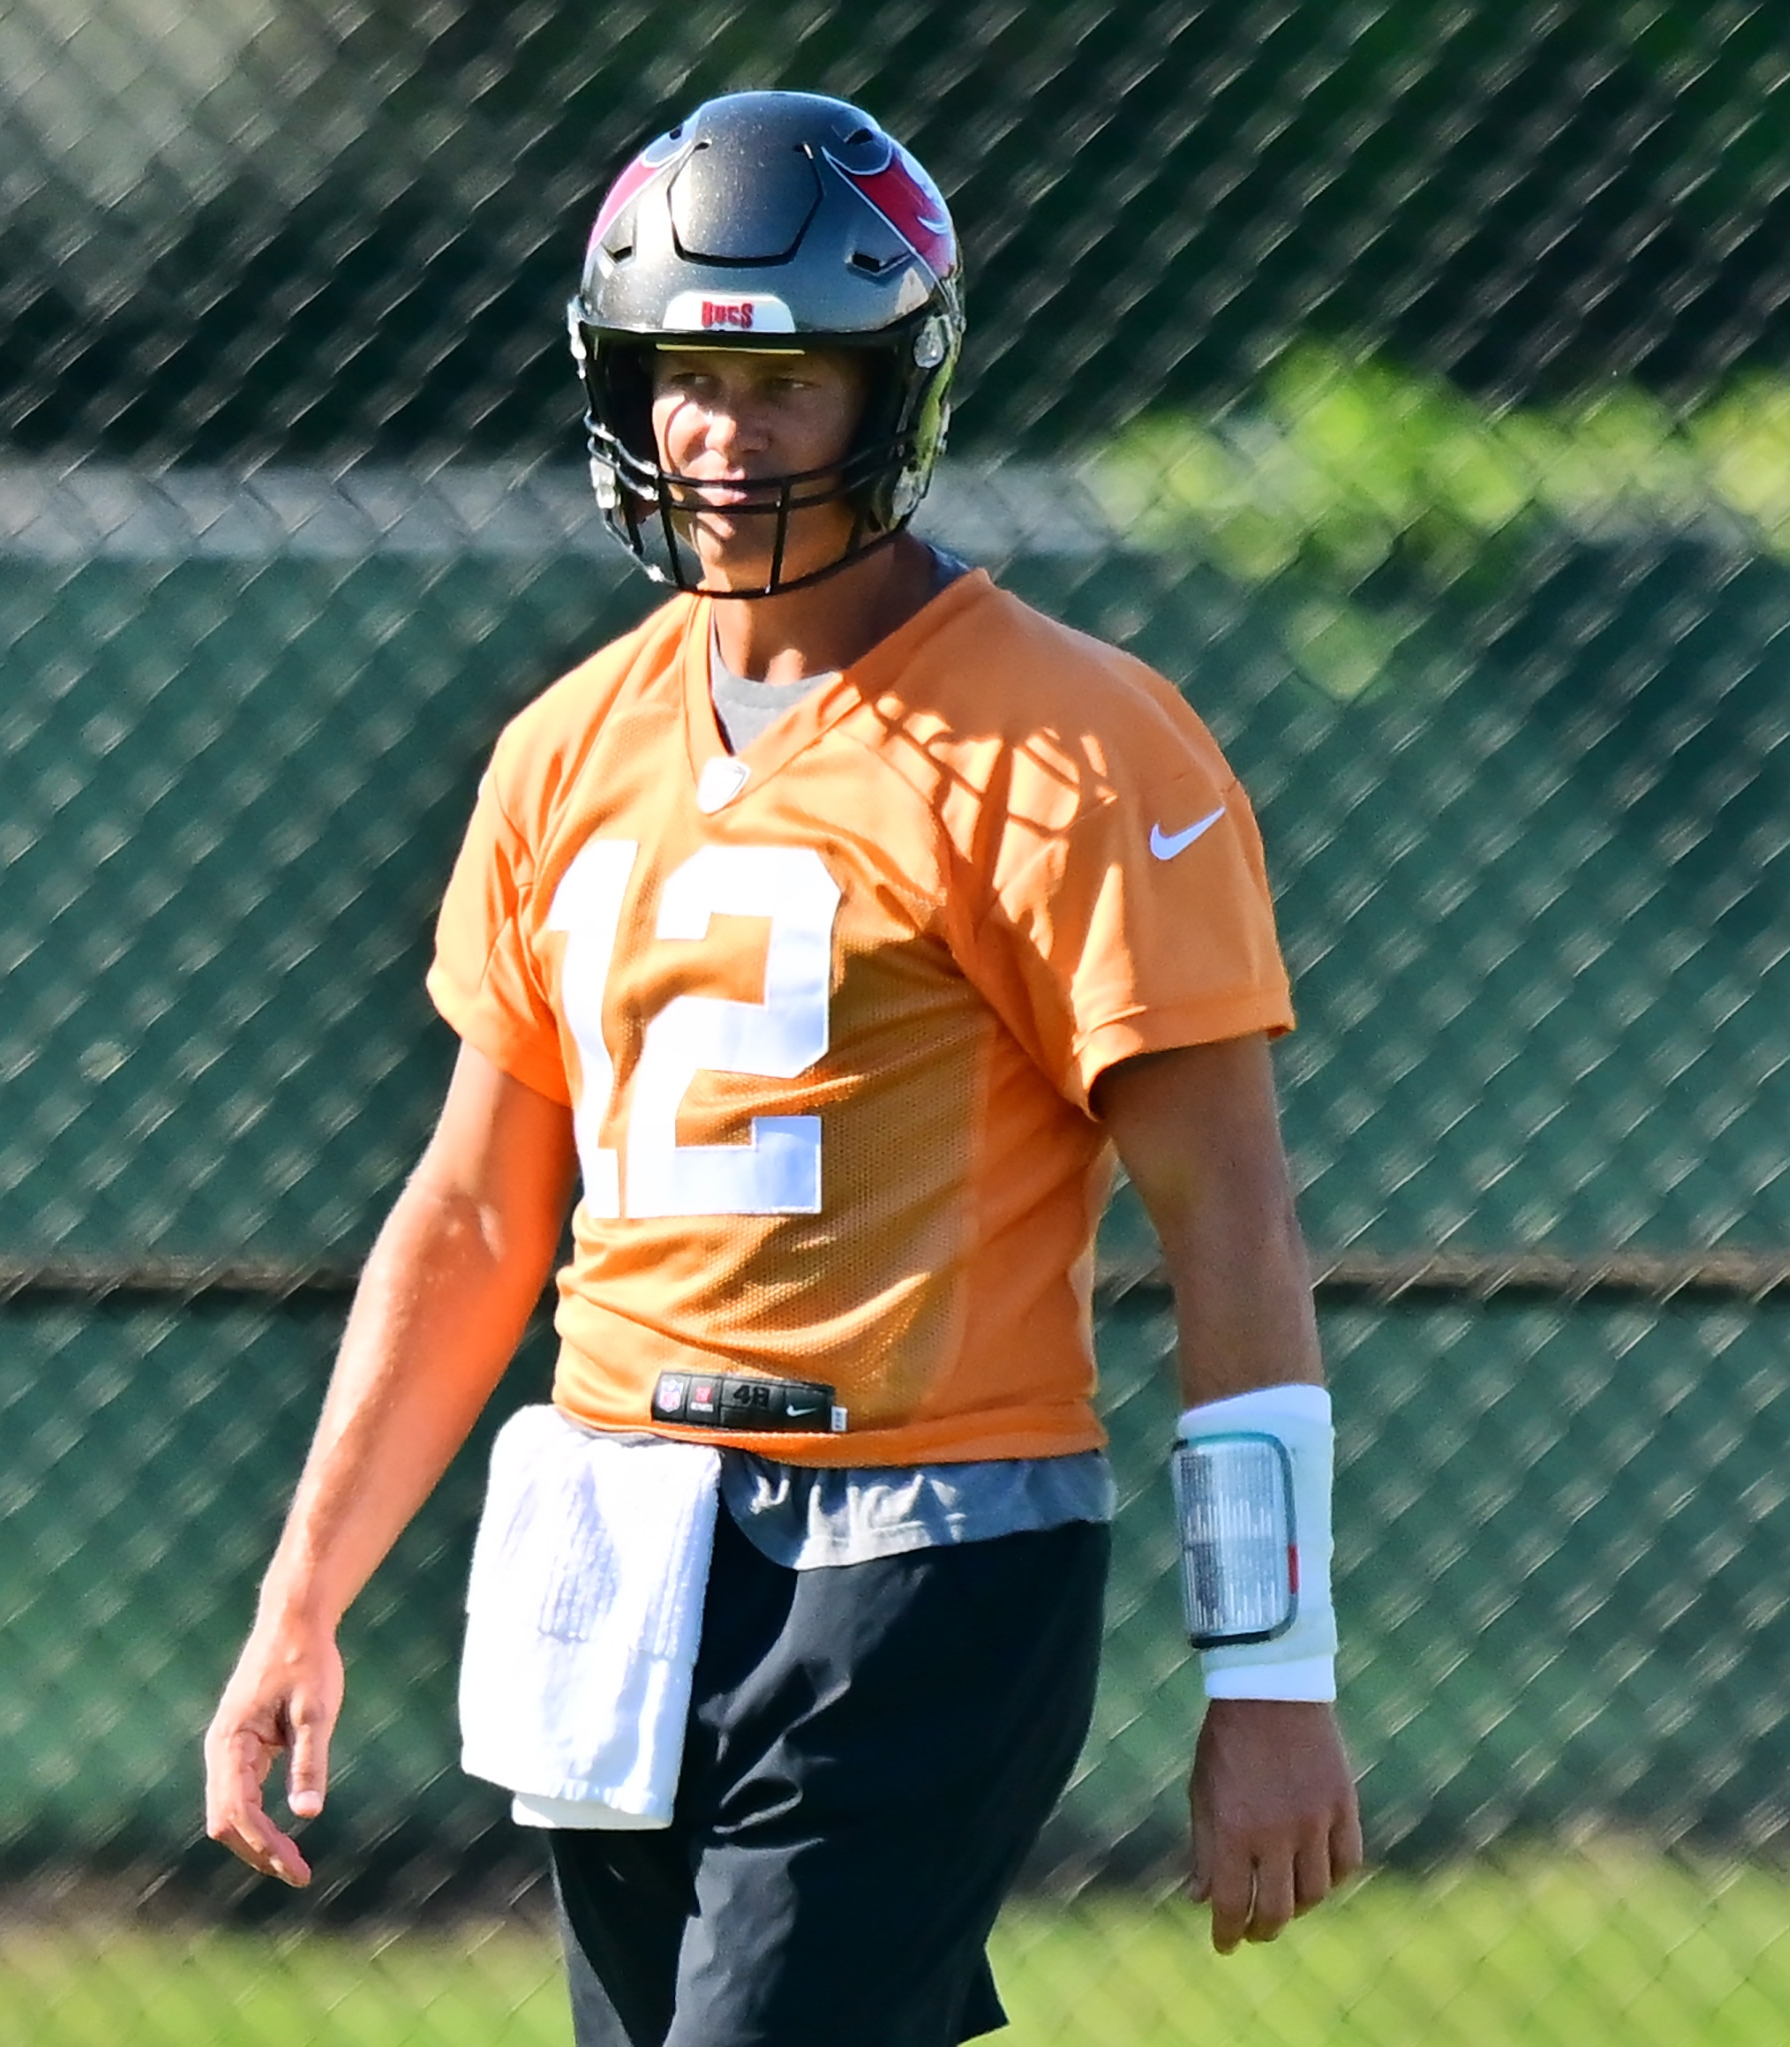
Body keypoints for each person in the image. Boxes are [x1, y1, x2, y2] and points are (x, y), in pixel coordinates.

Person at [205, 89, 1362, 2044]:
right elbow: (481, 1207)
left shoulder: (1077, 747)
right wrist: (300, 1591)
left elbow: (1231, 1227)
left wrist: (1273, 1679)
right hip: (617, 1534)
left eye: (788, 385)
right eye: (682, 380)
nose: (720, 444)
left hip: (928, 1548)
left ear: (892, 392)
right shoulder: (565, 749)